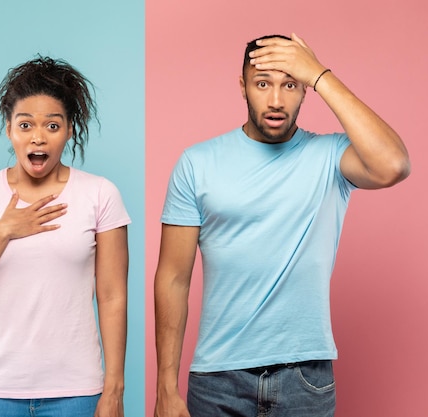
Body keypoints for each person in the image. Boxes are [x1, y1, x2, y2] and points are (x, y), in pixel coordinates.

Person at [153, 33, 410, 417]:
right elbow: (173, 278)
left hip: (305, 380)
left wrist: (320, 75)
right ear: (242, 87)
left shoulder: (331, 156)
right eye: (262, 84)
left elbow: (394, 165)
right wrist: (165, 388)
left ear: (305, 90)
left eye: (290, 84)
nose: (276, 100)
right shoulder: (197, 163)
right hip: (217, 380)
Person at [0, 56, 130, 417]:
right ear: (9, 128)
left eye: (52, 125)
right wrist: (3, 230)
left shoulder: (100, 194)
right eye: (25, 125)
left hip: (77, 392)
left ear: (70, 129)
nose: (38, 136)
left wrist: (114, 390)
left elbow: (112, 296)